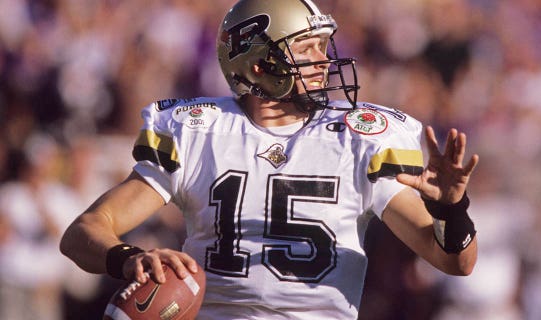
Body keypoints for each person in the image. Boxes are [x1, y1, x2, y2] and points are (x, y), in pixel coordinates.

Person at [60, 0, 480, 319]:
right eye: (306, 49)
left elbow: (455, 261)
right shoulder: (199, 131)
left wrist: (451, 209)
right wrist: (128, 257)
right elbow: (83, 233)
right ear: (259, 65)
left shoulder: (359, 139)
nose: (325, 61)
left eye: (323, 46)